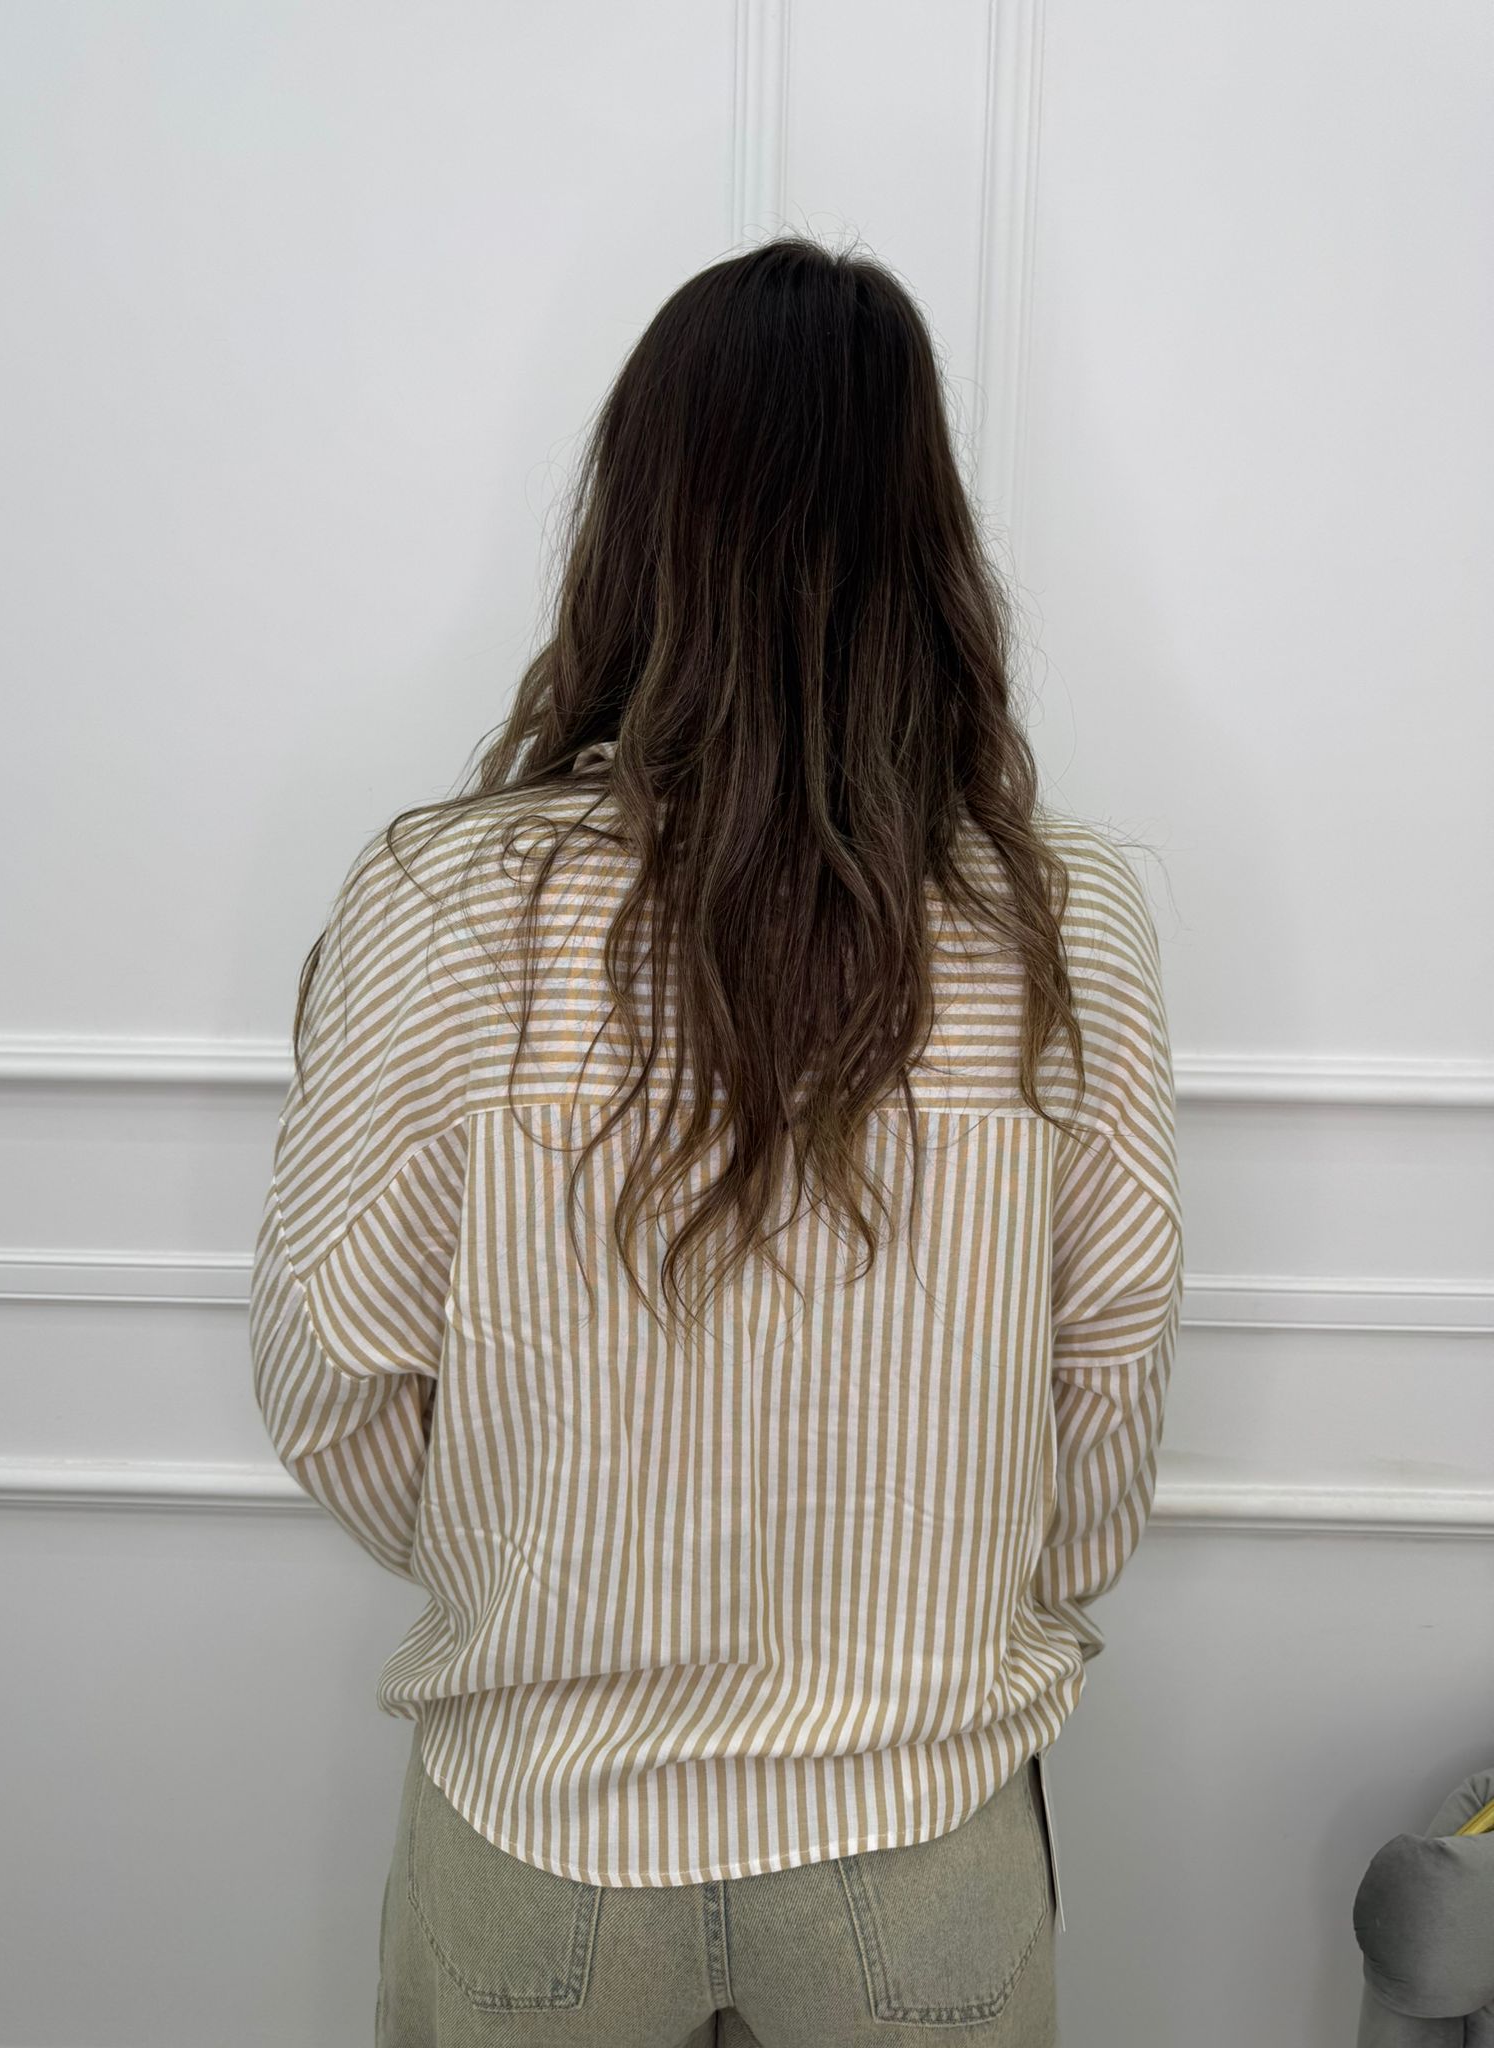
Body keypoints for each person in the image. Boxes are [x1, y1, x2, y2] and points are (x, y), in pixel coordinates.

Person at [249, 234, 1183, 2048]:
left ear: (634, 530)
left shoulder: (445, 906)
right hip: (917, 1833)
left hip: (544, 1829)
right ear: (931, 548)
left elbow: (332, 1384)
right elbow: (1107, 1406)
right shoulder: (1061, 922)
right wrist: (931, 1618)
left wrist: (525, 1573)